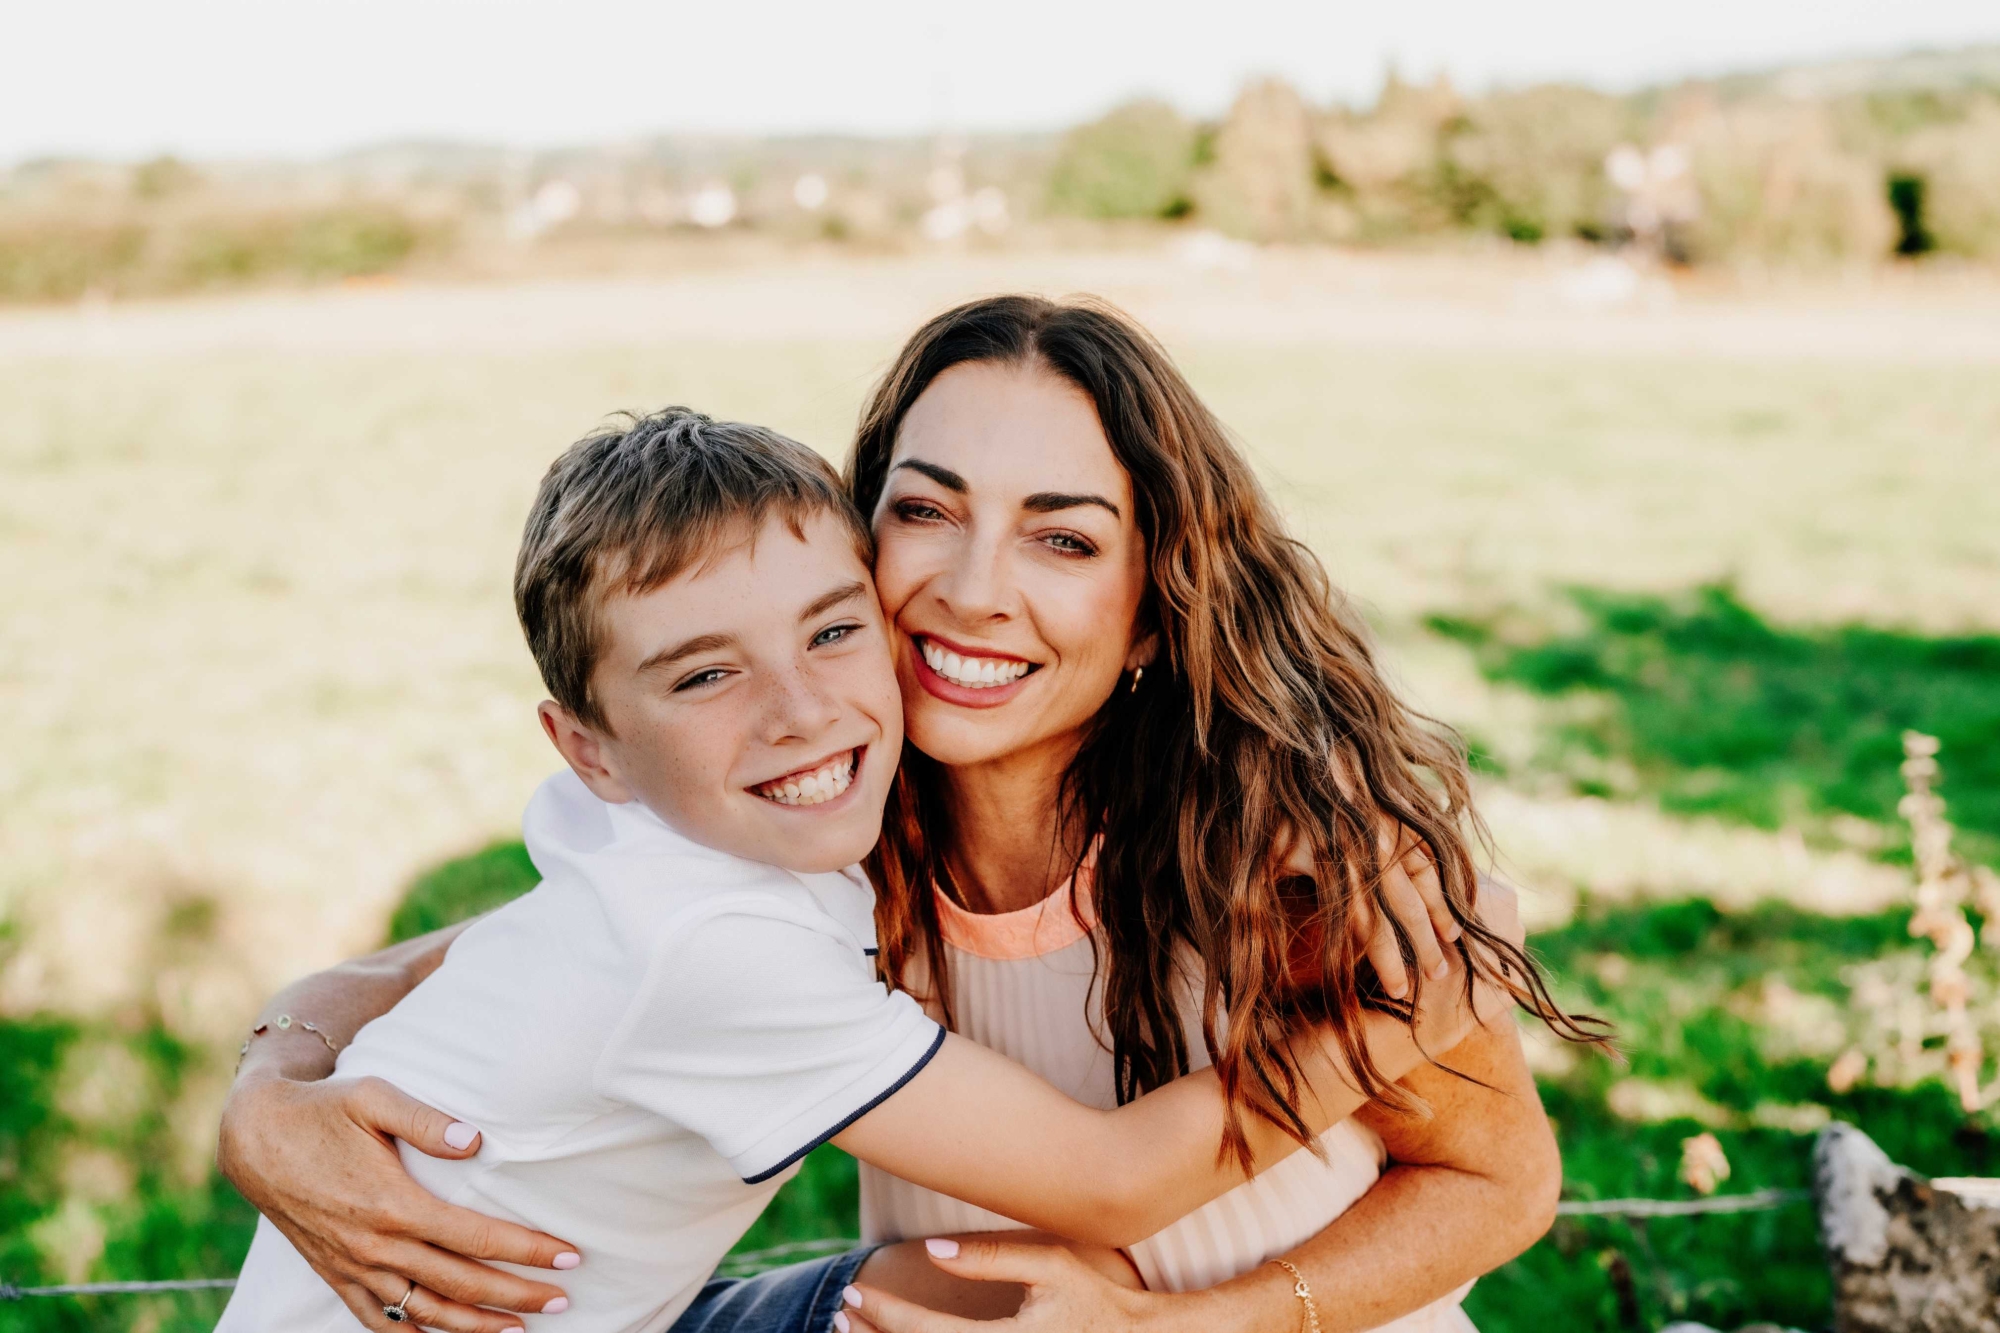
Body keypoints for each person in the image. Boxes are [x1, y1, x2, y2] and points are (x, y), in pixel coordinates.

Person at [218, 297, 1593, 1333]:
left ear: (1153, 605)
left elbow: (1503, 1185)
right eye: (928, 511)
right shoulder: (811, 825)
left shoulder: (1285, 853)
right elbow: (487, 959)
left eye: (1064, 537)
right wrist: (270, 1099)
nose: (975, 589)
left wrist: (1191, 1327)